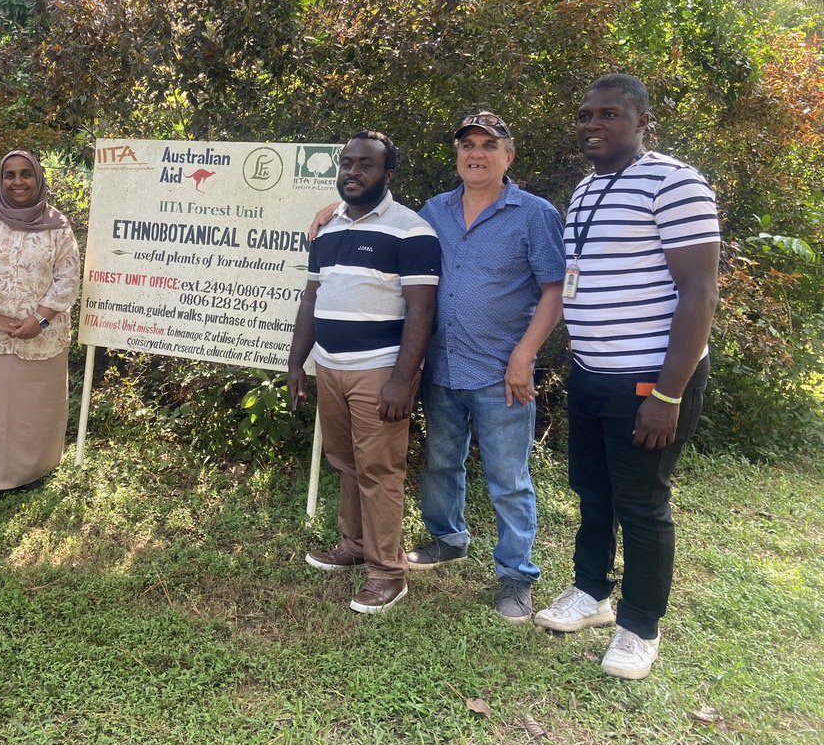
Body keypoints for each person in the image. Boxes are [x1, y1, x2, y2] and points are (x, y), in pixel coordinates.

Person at [534, 74, 720, 680]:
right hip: (591, 373)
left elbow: (699, 293)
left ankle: (640, 626)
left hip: (650, 378)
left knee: (641, 504)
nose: (592, 124)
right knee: (593, 493)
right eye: (585, 115)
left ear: (642, 120)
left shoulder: (675, 181)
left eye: (608, 115)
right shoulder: (586, 189)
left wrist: (668, 393)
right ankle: (591, 594)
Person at [405, 109, 566, 623]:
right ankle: (447, 539)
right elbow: (387, 238)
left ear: (508, 156)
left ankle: (516, 576)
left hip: (504, 373)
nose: (476, 153)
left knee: (508, 477)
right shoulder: (434, 210)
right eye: (467, 145)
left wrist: (524, 355)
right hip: (442, 367)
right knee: (440, 462)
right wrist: (330, 212)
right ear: (457, 156)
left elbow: (554, 289)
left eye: (488, 145)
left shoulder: (534, 213)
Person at [290, 131, 440, 614]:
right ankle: (354, 545)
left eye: (366, 166)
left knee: (380, 470)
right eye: (346, 164)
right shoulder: (328, 229)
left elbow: (422, 311)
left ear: (388, 175)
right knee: (346, 462)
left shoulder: (411, 231)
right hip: (330, 368)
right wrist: (298, 362)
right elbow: (312, 298)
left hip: (378, 372)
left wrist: (402, 378)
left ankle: (387, 573)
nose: (353, 172)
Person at [0, 151, 80, 494]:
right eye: (9, 175)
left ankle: (34, 471)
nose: (17, 182)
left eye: (25, 174)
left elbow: (68, 279)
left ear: (38, 177)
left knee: (36, 408)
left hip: (44, 335)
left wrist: (39, 320)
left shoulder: (58, 225)